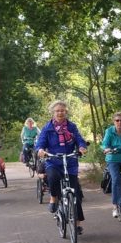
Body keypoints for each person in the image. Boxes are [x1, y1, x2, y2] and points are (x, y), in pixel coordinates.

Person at [36, 100, 88, 234]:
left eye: (62, 110)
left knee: (76, 192)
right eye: (57, 111)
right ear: (53, 112)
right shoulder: (47, 128)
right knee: (52, 177)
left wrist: (82, 147)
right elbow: (40, 142)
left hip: (70, 161)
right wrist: (41, 149)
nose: (60, 113)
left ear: (66, 112)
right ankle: (53, 198)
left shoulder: (72, 127)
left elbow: (79, 139)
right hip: (53, 161)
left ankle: (77, 224)